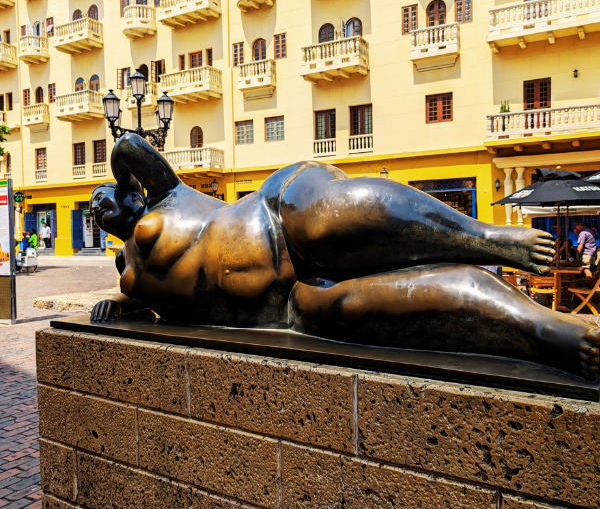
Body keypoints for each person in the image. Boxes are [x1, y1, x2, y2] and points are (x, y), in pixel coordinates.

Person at [89, 134, 600, 380]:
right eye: (93, 207)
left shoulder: (165, 196)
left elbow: (129, 145)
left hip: (276, 216)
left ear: (129, 192)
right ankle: (544, 332)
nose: (97, 205)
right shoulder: (126, 265)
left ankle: (488, 239)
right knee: (373, 305)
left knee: (326, 223)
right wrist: (122, 304)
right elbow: (161, 301)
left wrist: (120, 171)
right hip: (281, 305)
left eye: (103, 195)